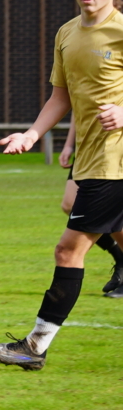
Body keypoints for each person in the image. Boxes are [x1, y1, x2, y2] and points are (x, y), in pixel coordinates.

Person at [0, 0, 123, 369]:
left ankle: (35, 345)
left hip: (114, 163)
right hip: (92, 157)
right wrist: (32, 133)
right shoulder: (66, 34)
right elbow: (61, 96)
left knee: (68, 251)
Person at [58, 126, 123, 297]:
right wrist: (69, 146)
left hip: (113, 146)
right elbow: (76, 107)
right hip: (87, 146)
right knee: (69, 203)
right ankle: (119, 255)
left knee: (112, 212)